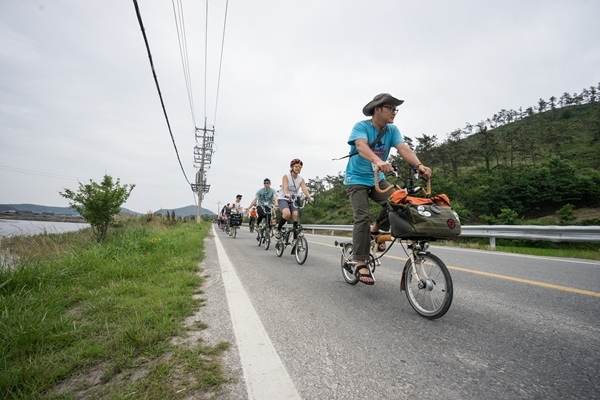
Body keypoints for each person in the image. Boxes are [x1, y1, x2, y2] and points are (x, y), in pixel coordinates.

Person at [344, 93, 432, 285]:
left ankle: (376, 230)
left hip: (378, 179)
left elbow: (403, 149)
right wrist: (377, 160)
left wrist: (419, 166)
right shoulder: (361, 126)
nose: (394, 112)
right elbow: (361, 146)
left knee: (398, 202)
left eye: (395, 109)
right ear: (378, 109)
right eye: (390, 108)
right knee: (362, 216)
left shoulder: (392, 130)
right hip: (356, 179)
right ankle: (360, 261)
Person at [275, 158, 313, 240]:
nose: (298, 168)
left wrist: (309, 197)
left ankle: (295, 239)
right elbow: (285, 186)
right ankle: (278, 229)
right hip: (283, 198)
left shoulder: (301, 179)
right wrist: (286, 194)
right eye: (296, 166)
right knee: (286, 214)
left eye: (300, 167)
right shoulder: (286, 176)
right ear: (292, 167)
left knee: (295, 215)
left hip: (294, 199)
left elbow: (304, 189)